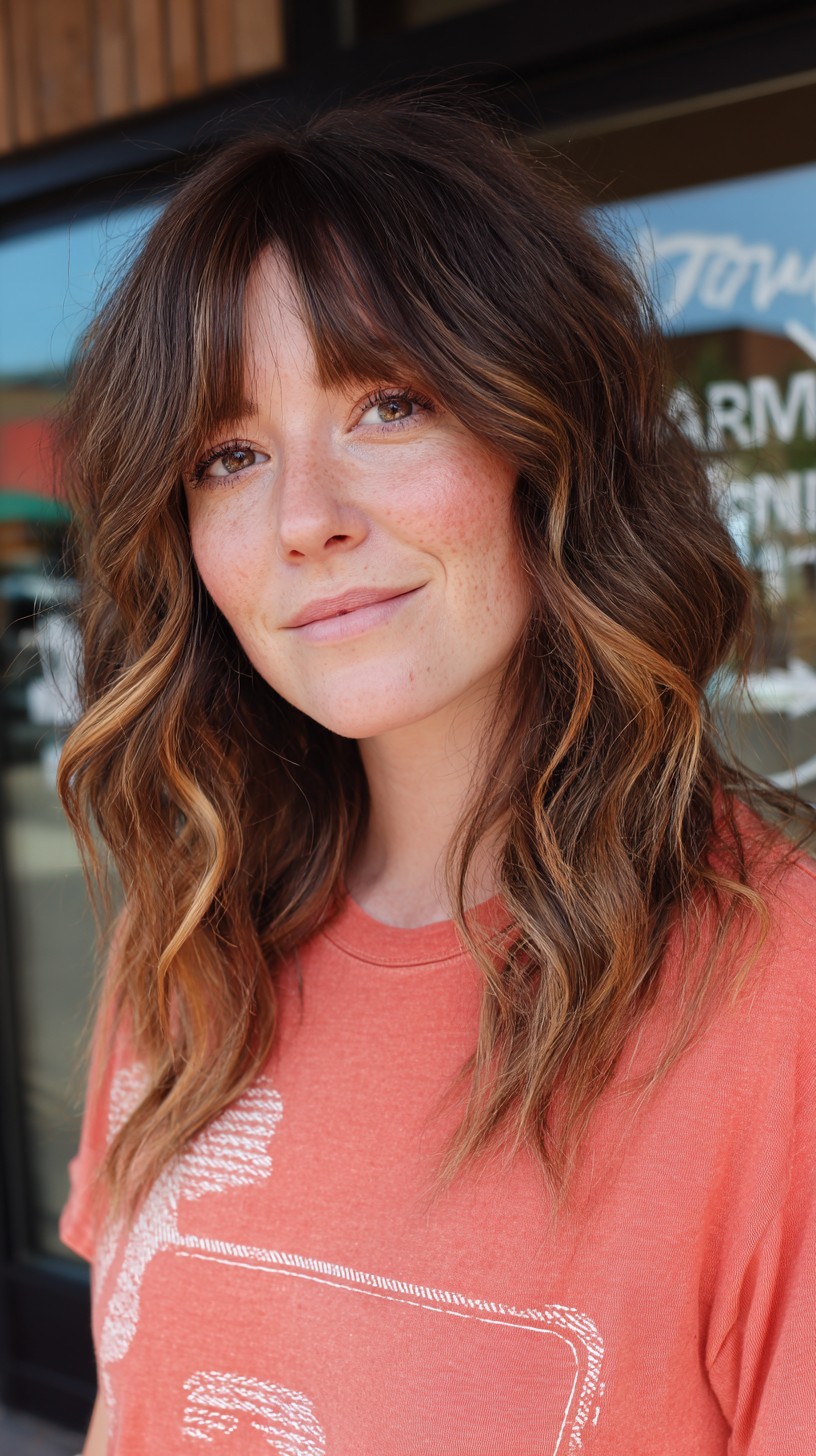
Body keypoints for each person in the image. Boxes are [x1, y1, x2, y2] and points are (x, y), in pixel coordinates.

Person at [56, 85, 816, 1456]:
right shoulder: (189, 934)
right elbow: (133, 1407)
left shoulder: (782, 995)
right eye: (231, 454)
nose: (306, 519)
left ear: (548, 437)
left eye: (389, 405)